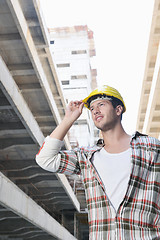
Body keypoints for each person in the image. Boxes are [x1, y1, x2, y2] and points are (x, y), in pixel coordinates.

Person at [36, 85, 160, 240]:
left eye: (101, 104)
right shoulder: (87, 157)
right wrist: (69, 119)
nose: (95, 110)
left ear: (118, 109)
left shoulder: (151, 147)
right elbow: (46, 159)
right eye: (92, 108)